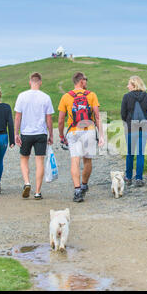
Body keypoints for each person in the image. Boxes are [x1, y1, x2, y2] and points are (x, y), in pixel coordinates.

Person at [58, 72, 105, 203]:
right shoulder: (91, 95)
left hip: (73, 131)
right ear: (81, 81)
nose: (86, 82)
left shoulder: (66, 97)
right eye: (86, 80)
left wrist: (61, 135)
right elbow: (97, 116)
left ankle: (77, 190)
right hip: (89, 130)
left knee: (75, 160)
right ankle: (84, 184)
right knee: (88, 161)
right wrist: (101, 135)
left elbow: (61, 120)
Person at [14, 72, 54, 200]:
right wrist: (51, 134)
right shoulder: (46, 97)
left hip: (26, 133)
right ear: (40, 82)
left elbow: (17, 116)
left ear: (30, 82)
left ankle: (27, 183)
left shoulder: (21, 96)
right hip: (41, 133)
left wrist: (16, 133)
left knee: (24, 159)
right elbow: (49, 119)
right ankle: (37, 192)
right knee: (39, 162)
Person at [121, 76, 147, 187]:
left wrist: (126, 122)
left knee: (130, 153)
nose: (127, 86)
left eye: (129, 84)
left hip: (131, 128)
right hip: (144, 127)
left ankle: (128, 178)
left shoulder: (126, 97)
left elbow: (123, 114)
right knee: (140, 154)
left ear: (134, 85)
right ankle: (139, 179)